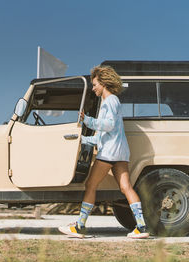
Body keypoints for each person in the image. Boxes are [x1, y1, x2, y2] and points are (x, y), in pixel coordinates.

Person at [58, 65, 149, 239]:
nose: (93, 89)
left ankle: (80, 226)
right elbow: (102, 136)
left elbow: (108, 125)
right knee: (126, 187)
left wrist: (87, 121)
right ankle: (142, 227)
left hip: (109, 152)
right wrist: (82, 140)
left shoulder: (110, 101)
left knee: (90, 185)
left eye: (95, 85)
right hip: (120, 152)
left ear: (104, 83)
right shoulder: (112, 101)